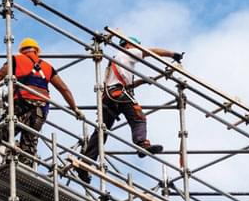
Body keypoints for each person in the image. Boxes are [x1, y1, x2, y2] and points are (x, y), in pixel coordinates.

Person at [78, 35, 183, 182]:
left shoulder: (118, 60)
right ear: (128, 45)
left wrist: (143, 80)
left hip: (110, 96)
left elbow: (125, 83)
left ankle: (84, 163)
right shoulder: (127, 53)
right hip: (118, 93)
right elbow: (150, 52)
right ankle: (142, 144)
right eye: (135, 46)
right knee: (138, 116)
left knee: (102, 131)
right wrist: (172, 54)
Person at [0, 37, 81, 165]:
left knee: (2, 133)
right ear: (37, 51)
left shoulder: (16, 60)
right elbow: (63, 88)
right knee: (29, 146)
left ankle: (13, 151)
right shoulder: (47, 67)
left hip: (21, 104)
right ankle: (23, 167)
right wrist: (75, 109)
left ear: (22, 51)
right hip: (41, 109)